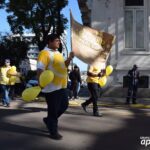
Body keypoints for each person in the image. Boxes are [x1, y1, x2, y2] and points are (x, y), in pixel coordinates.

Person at [37, 34, 74, 140]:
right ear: (49, 41)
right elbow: (40, 69)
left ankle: (49, 120)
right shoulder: (44, 53)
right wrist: (40, 82)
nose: (59, 42)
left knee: (64, 106)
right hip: (51, 87)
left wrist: (70, 58)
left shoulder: (57, 53)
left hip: (62, 85)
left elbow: (63, 65)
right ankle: (53, 131)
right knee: (53, 110)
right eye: (57, 40)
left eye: (59, 40)